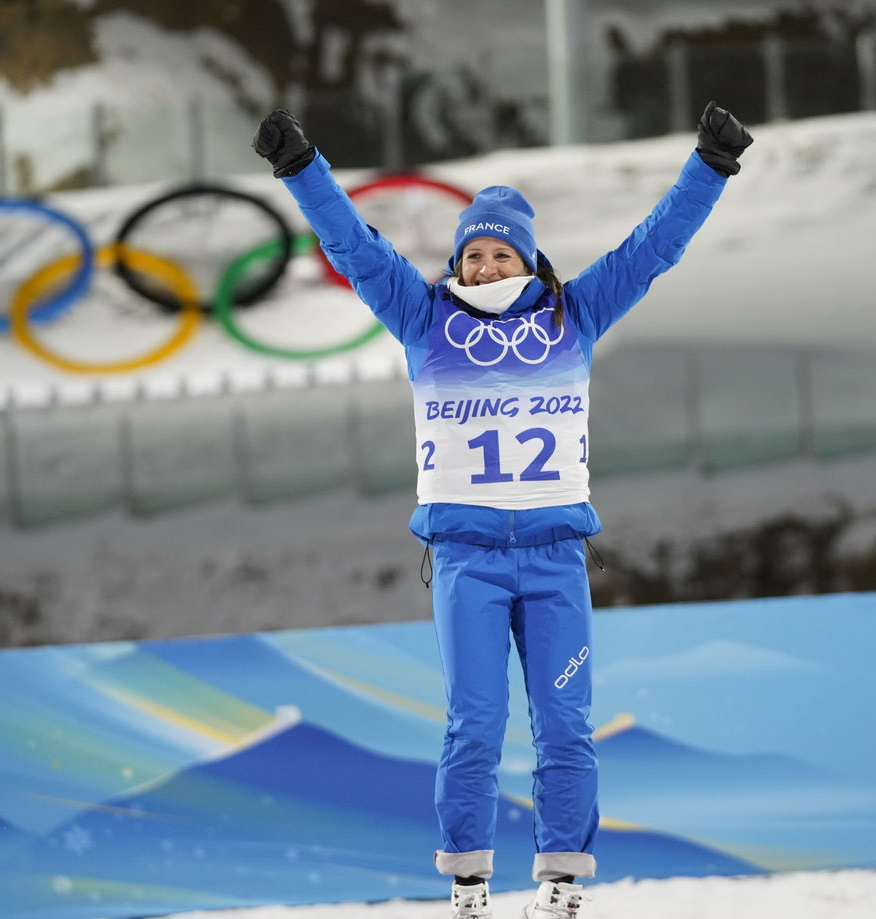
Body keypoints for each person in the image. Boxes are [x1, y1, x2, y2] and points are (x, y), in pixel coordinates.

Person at [253, 101, 751, 919]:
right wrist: (301, 169)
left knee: (565, 723)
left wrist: (710, 167)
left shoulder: (573, 315)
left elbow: (653, 248)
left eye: (498, 253)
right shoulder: (423, 318)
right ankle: (470, 886)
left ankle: (560, 884)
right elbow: (352, 246)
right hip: (467, 560)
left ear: (526, 257)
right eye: (471, 254)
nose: (483, 266)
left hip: (556, 557)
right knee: (475, 723)